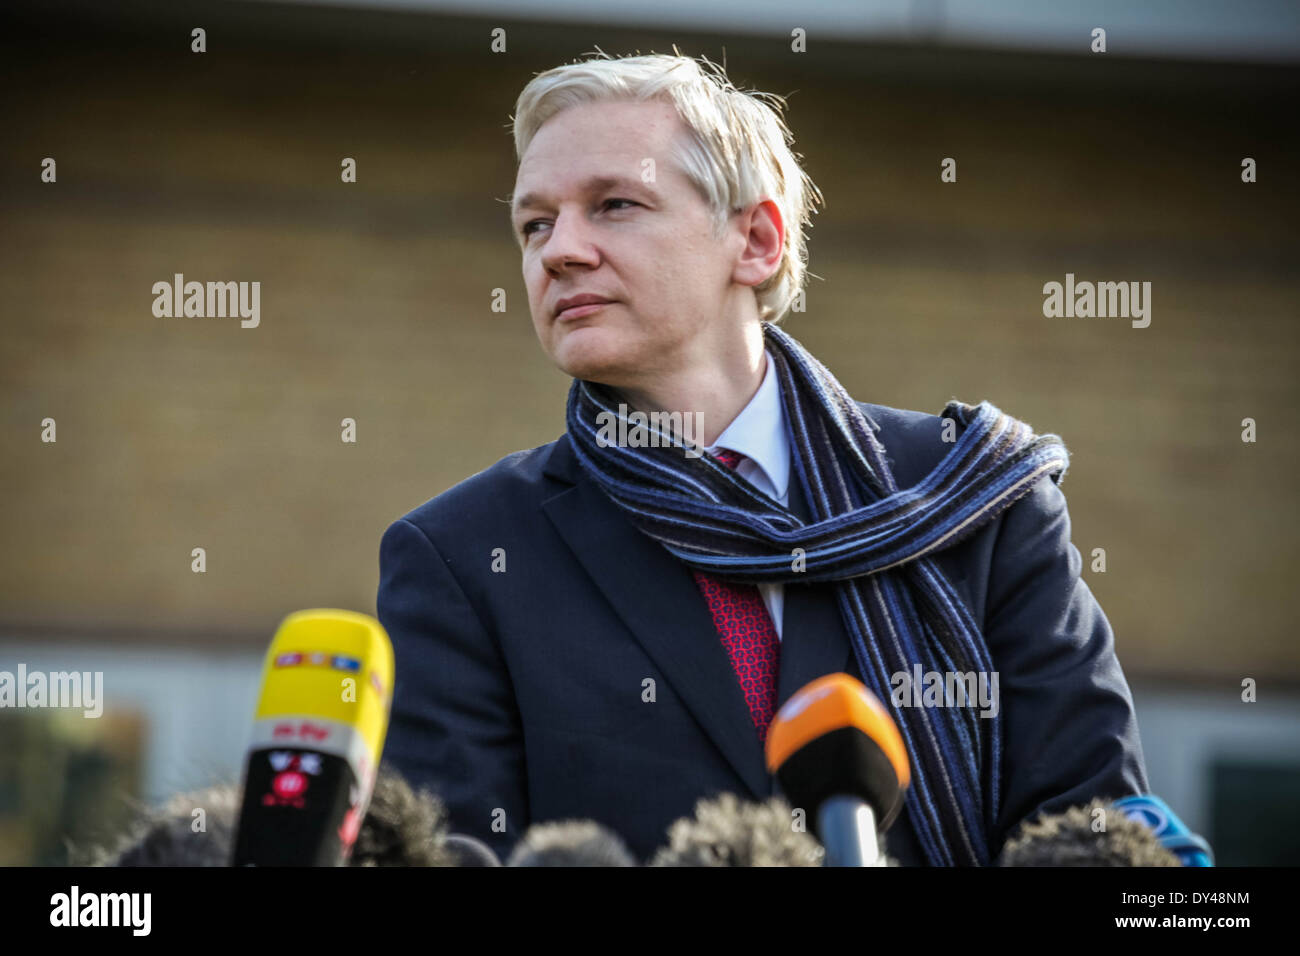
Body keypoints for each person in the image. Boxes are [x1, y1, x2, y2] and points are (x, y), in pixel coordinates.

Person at [377, 51, 1148, 866]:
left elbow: (1099, 833)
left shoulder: (977, 499)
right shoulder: (463, 557)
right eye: (535, 223)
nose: (559, 250)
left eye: (613, 205)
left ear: (755, 239)